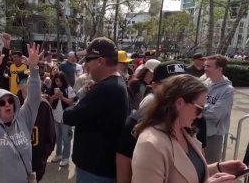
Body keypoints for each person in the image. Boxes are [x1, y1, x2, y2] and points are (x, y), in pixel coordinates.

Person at [131, 74, 246, 183]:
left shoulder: (185, 131)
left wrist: (219, 168)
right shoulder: (150, 144)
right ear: (180, 103)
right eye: (199, 109)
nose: (200, 115)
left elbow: (187, 174)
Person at [63, 37, 129, 182]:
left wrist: (83, 95)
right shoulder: (116, 82)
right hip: (102, 167)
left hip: (95, 171)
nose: (86, 66)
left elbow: (69, 116)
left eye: (87, 60)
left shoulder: (104, 89)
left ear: (100, 61)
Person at [0, 43, 41, 183]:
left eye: (10, 101)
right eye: (2, 102)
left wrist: (34, 69)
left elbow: (34, 99)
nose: (8, 105)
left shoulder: (23, 119)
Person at [116, 61, 190, 183]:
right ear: (154, 86)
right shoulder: (135, 125)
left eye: (187, 85)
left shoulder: (196, 120)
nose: (181, 91)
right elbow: (124, 175)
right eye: (171, 85)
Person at [16, 70, 56, 182]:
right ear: (18, 84)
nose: (29, 83)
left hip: (38, 160)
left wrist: (44, 156)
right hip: (17, 161)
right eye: (25, 80)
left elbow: (51, 133)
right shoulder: (12, 103)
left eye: (32, 80)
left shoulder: (43, 105)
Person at [203, 54, 234, 163]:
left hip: (213, 136)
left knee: (210, 167)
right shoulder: (205, 83)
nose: (205, 68)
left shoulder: (227, 90)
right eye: (205, 66)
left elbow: (215, 115)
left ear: (219, 69)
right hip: (197, 131)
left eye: (208, 66)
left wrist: (198, 110)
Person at [48, 72, 76, 167]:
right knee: (58, 137)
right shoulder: (52, 90)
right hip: (56, 117)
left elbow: (71, 103)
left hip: (66, 118)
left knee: (66, 138)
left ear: (63, 80)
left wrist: (62, 97)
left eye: (60, 81)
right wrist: (53, 97)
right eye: (56, 80)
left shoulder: (69, 89)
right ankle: (59, 154)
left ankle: (66, 157)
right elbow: (50, 104)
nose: (58, 83)